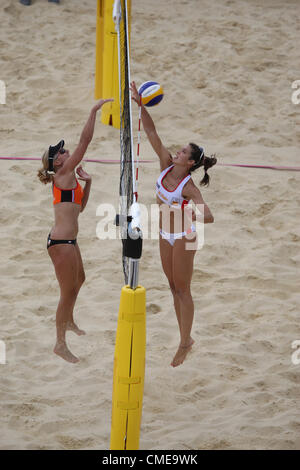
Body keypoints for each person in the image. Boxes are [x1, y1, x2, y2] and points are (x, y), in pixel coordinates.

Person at [130, 81, 216, 367]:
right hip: (165, 233)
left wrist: (193, 215)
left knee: (183, 289)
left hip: (184, 236)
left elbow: (209, 215)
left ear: (190, 163)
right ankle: (185, 338)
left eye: (182, 152)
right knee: (171, 286)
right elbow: (152, 133)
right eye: (178, 150)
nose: (176, 153)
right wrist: (141, 106)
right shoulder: (165, 164)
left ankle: (185, 341)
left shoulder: (189, 187)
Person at [37, 99, 113, 363]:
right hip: (61, 242)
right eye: (61, 152)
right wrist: (93, 111)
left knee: (80, 280)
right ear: (57, 163)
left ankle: (68, 321)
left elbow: (79, 209)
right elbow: (85, 141)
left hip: (69, 239)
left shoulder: (69, 178)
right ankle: (60, 343)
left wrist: (88, 183)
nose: (66, 151)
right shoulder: (64, 173)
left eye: (64, 149)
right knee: (66, 292)